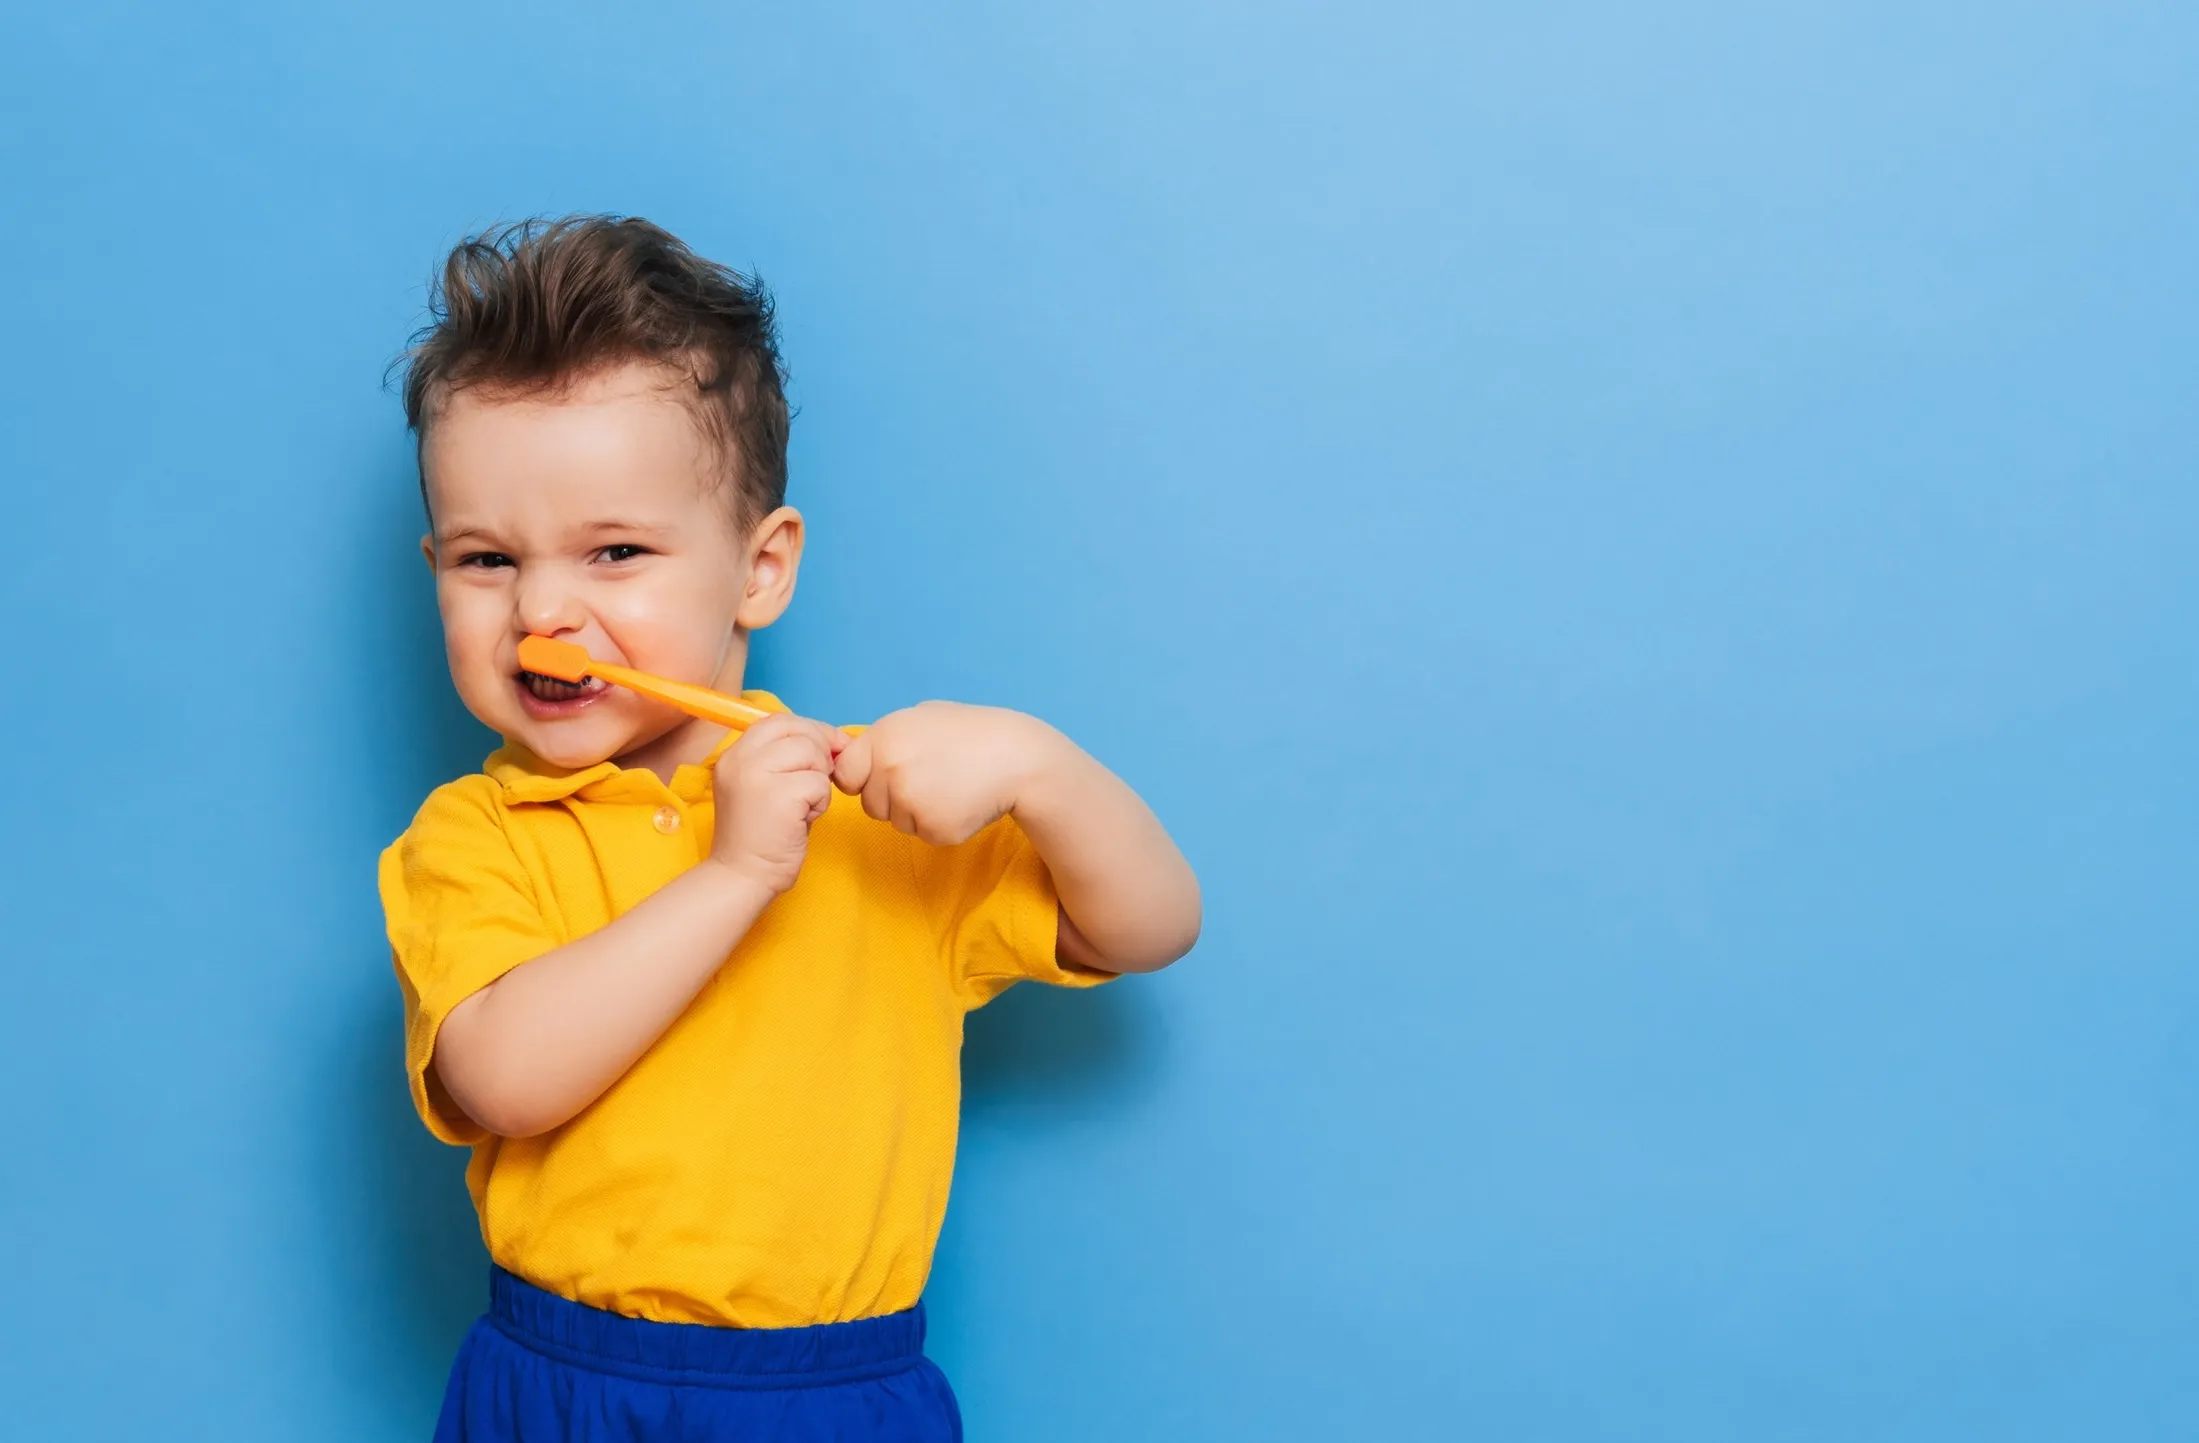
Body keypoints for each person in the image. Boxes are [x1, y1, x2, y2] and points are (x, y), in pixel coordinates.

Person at [377, 215, 1201, 1441]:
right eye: (488, 560)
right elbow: (502, 1078)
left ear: (760, 571)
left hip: (829, 1398)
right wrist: (738, 870)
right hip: (564, 1384)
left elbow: (1152, 927)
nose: (543, 608)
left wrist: (1042, 766)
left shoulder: (877, 818)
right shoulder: (478, 835)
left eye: (615, 551)